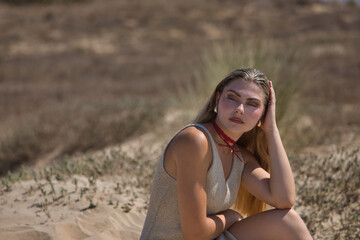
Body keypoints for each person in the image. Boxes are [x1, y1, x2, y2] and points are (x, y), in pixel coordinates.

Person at [140, 68, 312, 240]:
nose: (239, 109)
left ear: (263, 114)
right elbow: (195, 234)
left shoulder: (239, 157)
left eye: (252, 104)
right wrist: (231, 216)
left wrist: (271, 129)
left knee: (289, 221)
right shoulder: (195, 141)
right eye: (232, 98)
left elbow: (284, 199)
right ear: (217, 99)